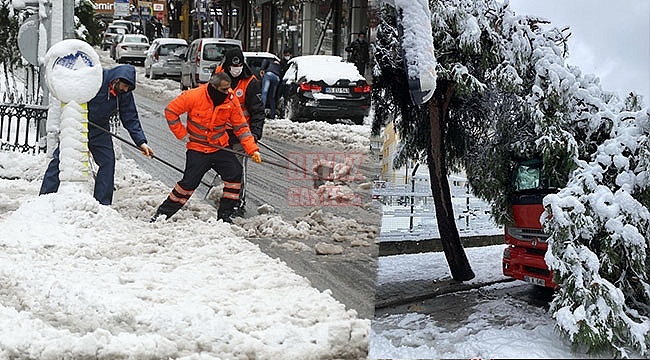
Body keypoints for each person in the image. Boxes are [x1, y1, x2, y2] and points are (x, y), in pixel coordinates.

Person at [151, 72, 262, 223]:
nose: (228, 92)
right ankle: (162, 214)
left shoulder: (230, 99)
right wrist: (182, 134)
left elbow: (241, 127)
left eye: (229, 88)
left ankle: (225, 216)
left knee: (235, 173)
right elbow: (171, 111)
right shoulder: (193, 96)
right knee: (188, 185)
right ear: (213, 87)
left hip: (219, 147)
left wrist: (252, 149)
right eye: (224, 89)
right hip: (198, 149)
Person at [39, 64, 154, 205]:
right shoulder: (96, 80)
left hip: (100, 130)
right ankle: (44, 197)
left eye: (128, 89)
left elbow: (131, 118)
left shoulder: (124, 94)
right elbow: (74, 95)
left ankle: (102, 203)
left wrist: (141, 142)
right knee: (61, 159)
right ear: (116, 80)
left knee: (108, 162)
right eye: (124, 86)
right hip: (79, 124)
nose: (125, 90)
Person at [212, 47, 265, 215]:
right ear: (227, 66)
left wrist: (255, 134)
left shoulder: (251, 82)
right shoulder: (217, 77)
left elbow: (258, 111)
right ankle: (222, 194)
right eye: (234, 65)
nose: (237, 69)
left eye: (240, 65)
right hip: (219, 133)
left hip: (240, 134)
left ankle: (236, 201)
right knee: (219, 165)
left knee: (236, 168)